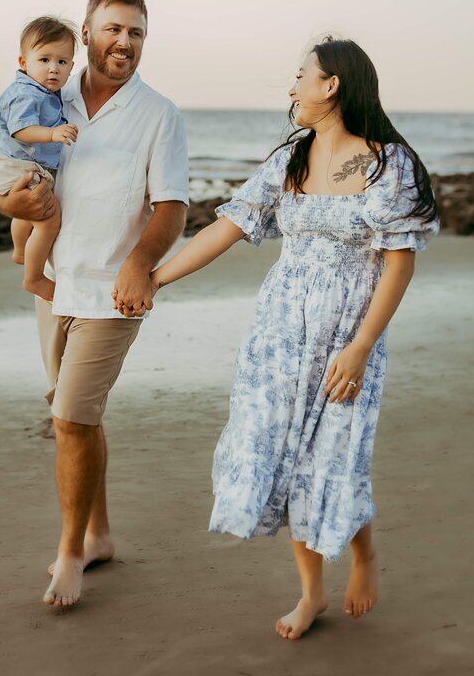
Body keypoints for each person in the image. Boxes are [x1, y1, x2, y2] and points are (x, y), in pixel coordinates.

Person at [150, 37, 440, 640]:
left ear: (330, 85)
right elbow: (228, 226)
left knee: (332, 458)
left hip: (347, 337)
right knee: (283, 461)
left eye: (300, 75)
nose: (292, 87)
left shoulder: (387, 164)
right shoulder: (291, 160)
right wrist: (154, 279)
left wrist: (360, 347)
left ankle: (363, 553)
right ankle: (311, 595)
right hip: (280, 334)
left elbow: (399, 263)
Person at [0, 0, 188, 608]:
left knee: (69, 418)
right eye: (112, 29)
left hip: (112, 292)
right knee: (79, 416)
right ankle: (99, 534)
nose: (124, 42)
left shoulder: (159, 113)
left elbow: (172, 206)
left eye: (136, 32)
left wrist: (139, 264)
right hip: (56, 287)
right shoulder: (51, 92)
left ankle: (70, 553)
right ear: (88, 34)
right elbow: (5, 178)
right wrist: (7, 202)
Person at [0, 16, 80, 302]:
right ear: (23, 62)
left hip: (18, 164)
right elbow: (21, 129)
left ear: (71, 68)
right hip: (18, 164)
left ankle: (18, 250)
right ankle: (34, 277)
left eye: (62, 63)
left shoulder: (49, 92)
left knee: (27, 212)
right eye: (44, 60)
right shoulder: (26, 94)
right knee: (48, 220)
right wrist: (52, 135)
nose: (54, 68)